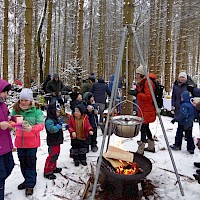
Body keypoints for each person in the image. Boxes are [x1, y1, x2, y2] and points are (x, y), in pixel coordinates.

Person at [11, 88, 44, 196]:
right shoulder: (16, 110)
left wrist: (32, 128)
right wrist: (13, 123)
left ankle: (30, 184)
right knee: (23, 163)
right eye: (22, 100)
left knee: (30, 163)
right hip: (20, 142)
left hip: (32, 143)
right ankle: (26, 180)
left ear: (30, 100)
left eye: (26, 100)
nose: (23, 102)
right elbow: (11, 121)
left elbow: (41, 125)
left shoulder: (37, 110)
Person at [130, 65, 156, 155]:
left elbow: (149, 97)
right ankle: (151, 146)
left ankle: (141, 149)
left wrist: (137, 94)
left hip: (147, 109)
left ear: (141, 74)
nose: (136, 75)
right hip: (144, 109)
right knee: (146, 127)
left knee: (143, 128)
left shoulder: (148, 83)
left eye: (137, 73)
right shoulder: (143, 82)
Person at [171, 71, 197, 144]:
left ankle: (183, 139)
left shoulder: (189, 86)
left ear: (186, 78)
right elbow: (173, 96)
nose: (182, 79)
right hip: (178, 105)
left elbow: (194, 94)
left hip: (187, 105)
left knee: (185, 122)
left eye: (183, 77)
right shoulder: (176, 85)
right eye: (181, 77)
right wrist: (172, 105)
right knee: (180, 123)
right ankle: (183, 137)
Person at [0, 79, 15, 200]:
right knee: (1, 175)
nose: (6, 94)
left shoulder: (4, 105)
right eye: (4, 92)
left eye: (6, 92)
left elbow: (6, 118)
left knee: (9, 167)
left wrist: (13, 120)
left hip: (6, 145)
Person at [44, 102, 63, 180]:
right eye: (57, 111)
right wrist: (58, 126)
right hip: (53, 141)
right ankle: (47, 171)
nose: (58, 113)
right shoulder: (49, 120)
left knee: (56, 155)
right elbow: (51, 130)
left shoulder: (55, 119)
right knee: (52, 155)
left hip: (57, 140)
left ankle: (53, 167)